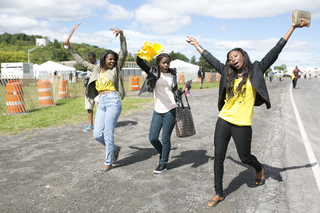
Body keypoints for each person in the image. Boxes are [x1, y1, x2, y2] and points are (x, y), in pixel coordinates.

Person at [187, 18, 308, 207]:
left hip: (242, 124)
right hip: (224, 120)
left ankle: (258, 168)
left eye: (235, 56)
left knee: (245, 158)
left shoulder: (257, 69)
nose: (231, 59)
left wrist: (292, 27)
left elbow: (276, 50)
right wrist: (197, 46)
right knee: (219, 157)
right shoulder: (227, 72)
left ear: (243, 56)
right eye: (229, 58)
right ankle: (219, 193)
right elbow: (210, 58)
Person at [65, 26, 127, 173]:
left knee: (108, 132)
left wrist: (122, 36)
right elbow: (81, 61)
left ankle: (108, 162)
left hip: (113, 100)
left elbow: (124, 53)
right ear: (104, 59)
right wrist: (70, 49)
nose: (113, 61)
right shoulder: (96, 69)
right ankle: (114, 148)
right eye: (110, 59)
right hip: (102, 101)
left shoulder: (116, 68)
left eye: (114, 59)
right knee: (97, 134)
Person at [136, 52, 190, 174]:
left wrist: (184, 89)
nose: (166, 65)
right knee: (153, 138)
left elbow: (174, 91)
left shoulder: (172, 74)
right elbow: (139, 61)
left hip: (171, 108)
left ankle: (163, 163)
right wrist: (143, 51)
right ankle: (163, 153)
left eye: (168, 63)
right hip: (158, 109)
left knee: (165, 138)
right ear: (158, 63)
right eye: (163, 62)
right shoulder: (153, 71)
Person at [83, 52, 100, 132]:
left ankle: (100, 124)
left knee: (99, 107)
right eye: (89, 60)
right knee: (89, 107)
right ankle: (90, 125)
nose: (90, 62)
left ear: (95, 57)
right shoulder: (89, 65)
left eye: (91, 60)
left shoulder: (100, 64)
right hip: (90, 88)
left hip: (97, 88)